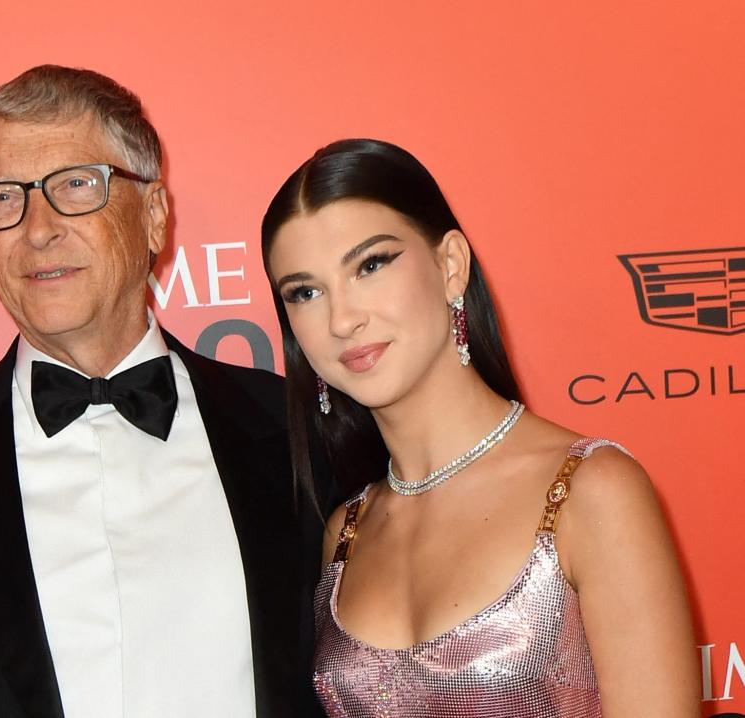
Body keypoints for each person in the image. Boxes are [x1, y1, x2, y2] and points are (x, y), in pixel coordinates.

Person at [0, 65, 328, 718]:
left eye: (75, 186)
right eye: (3, 197)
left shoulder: (301, 436)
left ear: (154, 214)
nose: (37, 228)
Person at [260, 138, 699, 716]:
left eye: (370, 265)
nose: (343, 318)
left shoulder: (589, 492)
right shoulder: (346, 533)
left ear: (450, 266)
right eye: (306, 292)